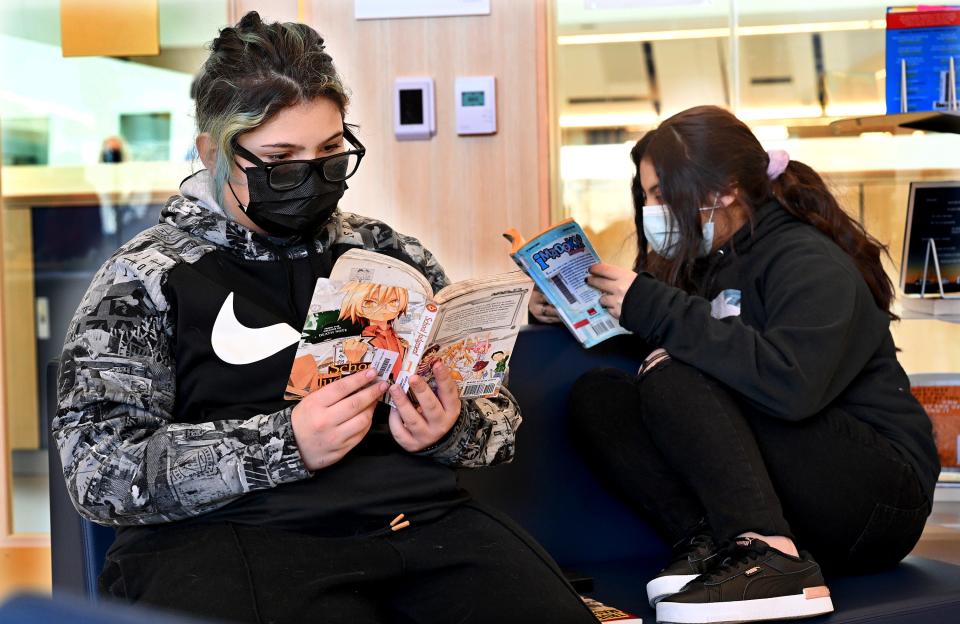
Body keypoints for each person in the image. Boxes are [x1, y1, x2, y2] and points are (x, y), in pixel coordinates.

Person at [53, 12, 596, 624]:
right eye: (280, 159)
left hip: (420, 525)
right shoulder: (145, 278)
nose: (309, 179)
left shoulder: (389, 255)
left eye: (331, 154)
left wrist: (452, 428)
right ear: (213, 152)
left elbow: (499, 426)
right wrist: (285, 444)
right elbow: (96, 470)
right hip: (233, 535)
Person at [533, 105, 940, 624]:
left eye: (661, 194)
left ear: (722, 190)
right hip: (795, 492)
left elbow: (790, 385)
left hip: (878, 504)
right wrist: (566, 309)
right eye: (649, 196)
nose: (653, 208)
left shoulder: (806, 260)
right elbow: (675, 367)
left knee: (675, 369)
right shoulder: (703, 264)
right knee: (601, 395)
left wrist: (658, 308)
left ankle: (770, 559)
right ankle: (715, 544)